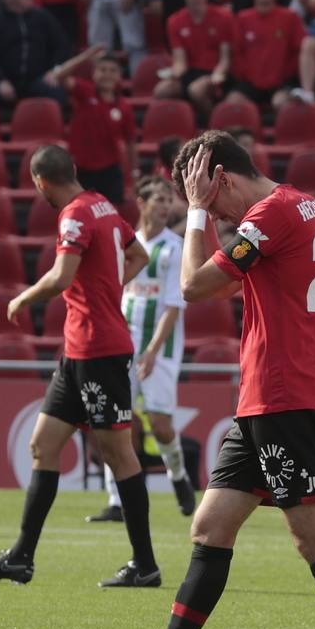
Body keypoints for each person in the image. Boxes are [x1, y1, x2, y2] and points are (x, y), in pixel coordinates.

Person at [87, 131, 315, 629]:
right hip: (264, 398)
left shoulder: (270, 213)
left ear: (220, 177)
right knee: (210, 524)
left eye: (203, 195)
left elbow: (192, 286)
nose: (212, 214)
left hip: (283, 396)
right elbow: (231, 279)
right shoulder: (302, 206)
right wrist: (207, 219)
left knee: (314, 537)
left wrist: (199, 214)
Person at [0, 144, 158, 588]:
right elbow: (139, 257)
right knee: (43, 444)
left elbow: (61, 276)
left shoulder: (74, 214)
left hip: (100, 350)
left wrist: (22, 299)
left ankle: (144, 564)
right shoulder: (102, 205)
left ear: (40, 182)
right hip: (78, 351)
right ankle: (22, 556)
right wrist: (106, 288)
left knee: (117, 453)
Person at [91, 175, 198, 522]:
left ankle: (179, 476)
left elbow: (172, 305)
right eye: (159, 200)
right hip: (122, 344)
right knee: (116, 422)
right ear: (141, 203)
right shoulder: (126, 243)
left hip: (161, 349)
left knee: (161, 425)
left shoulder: (173, 247)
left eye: (169, 201)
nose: (166, 207)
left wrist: (152, 350)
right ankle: (116, 501)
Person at [50, 46, 135, 206]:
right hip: (80, 169)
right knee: (81, 215)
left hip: (110, 171)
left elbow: (131, 142)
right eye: (102, 69)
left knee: (110, 218)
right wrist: (86, 56)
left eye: (112, 70)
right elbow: (59, 76)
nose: (107, 74)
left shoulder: (124, 106)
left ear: (119, 76)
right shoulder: (85, 91)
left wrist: (134, 173)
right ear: (94, 73)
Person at [154, 0, 235, 116]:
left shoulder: (224, 16)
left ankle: (216, 126)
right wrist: (172, 74)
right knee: (162, 90)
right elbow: (180, 61)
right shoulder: (174, 20)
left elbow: (225, 59)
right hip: (189, 72)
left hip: (215, 73)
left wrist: (216, 76)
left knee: (196, 90)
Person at [228, 0, 304, 110]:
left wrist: (286, 75)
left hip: (281, 82)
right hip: (250, 82)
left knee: (282, 104)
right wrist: (247, 76)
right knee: (231, 104)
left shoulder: (290, 17)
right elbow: (236, 52)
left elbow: (298, 50)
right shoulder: (242, 18)